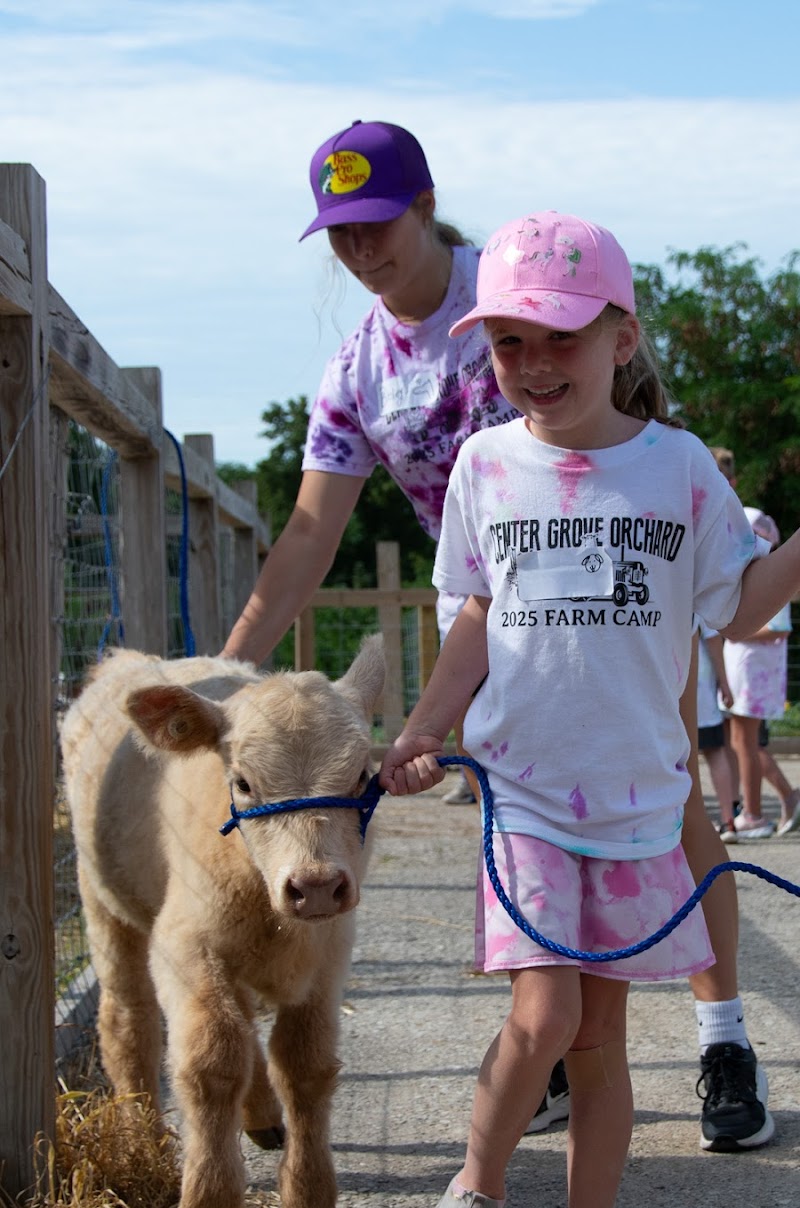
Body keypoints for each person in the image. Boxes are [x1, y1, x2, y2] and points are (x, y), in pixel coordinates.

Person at [223, 120, 772, 1148]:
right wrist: (228, 663)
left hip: (620, 582)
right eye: (337, 233)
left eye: (376, 223)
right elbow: (305, 534)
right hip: (489, 608)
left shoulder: (521, 283)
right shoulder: (356, 372)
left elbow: (630, 404)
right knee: (519, 831)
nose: (360, 250)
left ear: (423, 207)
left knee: (663, 793)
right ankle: (557, 1045)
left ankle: (720, 1032)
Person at [379, 208, 800, 1208]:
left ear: (621, 336)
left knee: (600, 1045)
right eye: (506, 342)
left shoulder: (679, 471)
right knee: (546, 1010)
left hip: (634, 802)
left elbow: (744, 607)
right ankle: (473, 1191)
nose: (530, 365)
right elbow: (472, 617)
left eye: (558, 338)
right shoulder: (485, 464)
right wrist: (424, 726)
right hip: (522, 790)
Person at [722, 506, 800, 838]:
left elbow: (779, 629)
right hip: (745, 667)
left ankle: (756, 811)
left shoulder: (768, 573)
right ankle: (783, 798)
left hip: (755, 671)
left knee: (746, 742)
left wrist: (728, 627)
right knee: (741, 741)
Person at [696, 625, 737, 840]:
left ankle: (685, 822)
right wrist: (724, 681)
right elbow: (713, 638)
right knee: (715, 751)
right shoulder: (695, 590)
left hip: (670, 678)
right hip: (700, 683)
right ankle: (728, 819)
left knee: (678, 756)